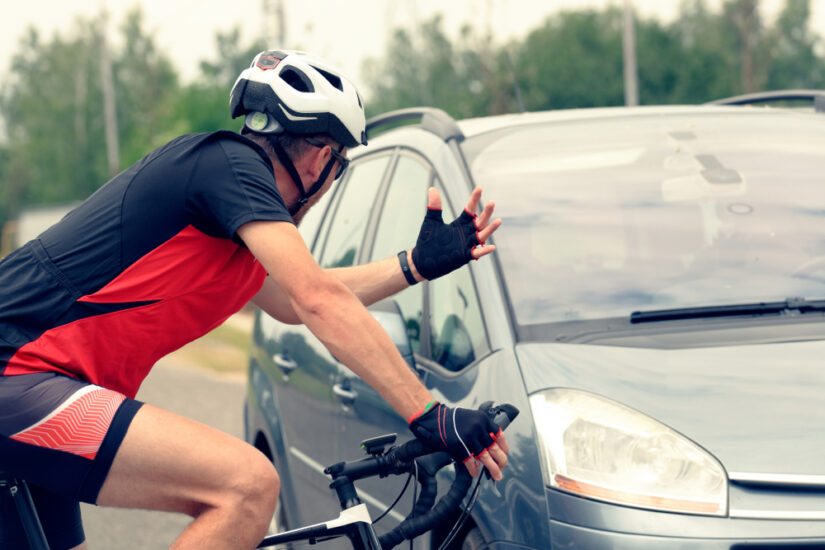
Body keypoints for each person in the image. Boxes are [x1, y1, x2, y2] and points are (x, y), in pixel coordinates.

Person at [0, 50, 507, 550]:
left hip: (40, 384)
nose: (333, 180)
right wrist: (430, 413)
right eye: (340, 165)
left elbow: (296, 299)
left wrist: (414, 265)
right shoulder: (231, 167)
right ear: (318, 158)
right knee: (246, 486)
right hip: (19, 375)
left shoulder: (231, 216)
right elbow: (317, 301)